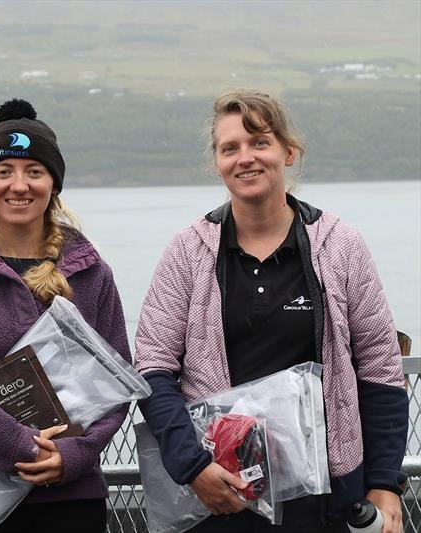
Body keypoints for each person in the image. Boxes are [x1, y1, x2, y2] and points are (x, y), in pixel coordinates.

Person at [134, 89, 409, 532]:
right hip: (221, 492)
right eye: (230, 148)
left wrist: (384, 483)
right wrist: (193, 465)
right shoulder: (187, 251)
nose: (246, 158)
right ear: (218, 162)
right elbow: (152, 368)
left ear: (288, 152)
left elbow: (380, 367)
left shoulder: (340, 244)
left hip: (326, 498)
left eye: (259, 142)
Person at [0, 99, 130, 532]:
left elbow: (117, 381)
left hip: (69, 496)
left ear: (54, 182)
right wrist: (21, 444)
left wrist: (75, 455)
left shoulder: (91, 275)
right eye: (4, 172)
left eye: (34, 171)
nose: (19, 185)